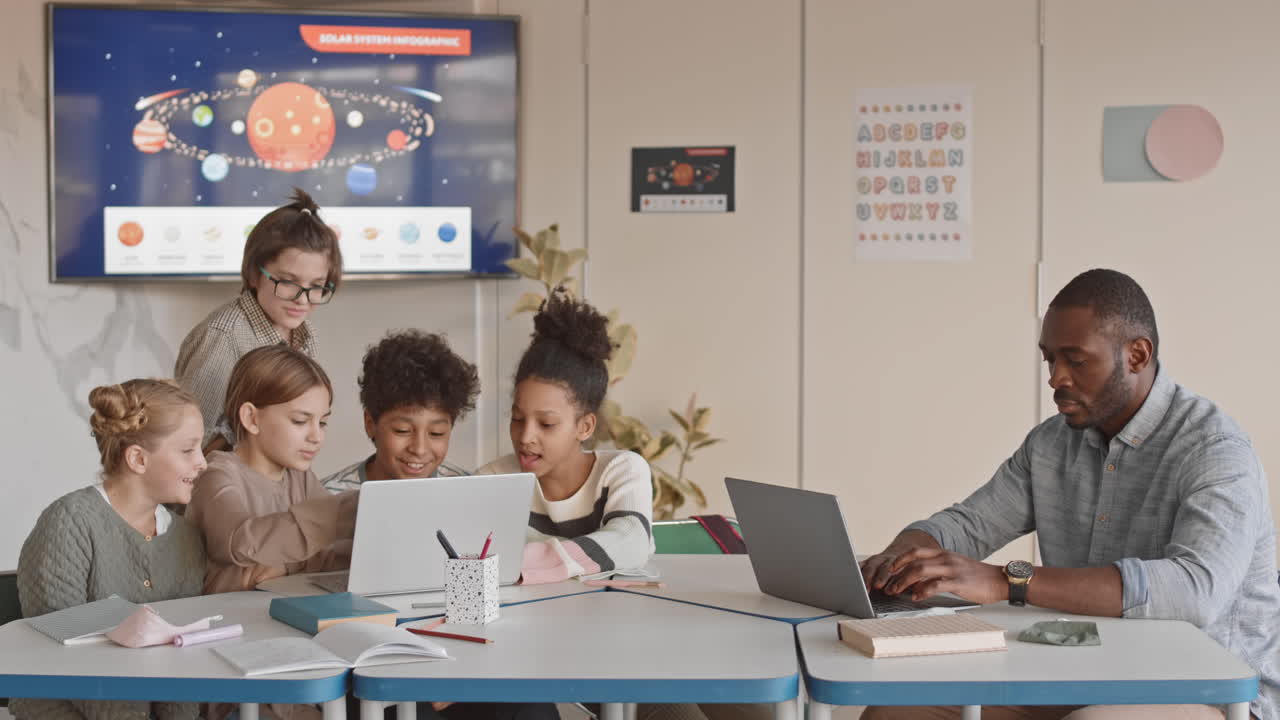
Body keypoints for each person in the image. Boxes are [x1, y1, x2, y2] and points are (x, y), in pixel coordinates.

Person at [860, 269, 1279, 720]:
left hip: (1207, 691)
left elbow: (1195, 590)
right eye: (1049, 359)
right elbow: (970, 524)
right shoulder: (1051, 443)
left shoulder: (1214, 449)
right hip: (1081, 672)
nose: (1055, 378)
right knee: (897, 710)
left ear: (1137, 355)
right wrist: (902, 558)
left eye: (1075, 361)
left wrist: (1008, 581)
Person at [12, 379, 207, 720]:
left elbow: (182, 657)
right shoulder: (68, 523)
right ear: (138, 459)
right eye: (188, 450)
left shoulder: (186, 538)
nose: (203, 462)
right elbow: (64, 653)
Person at [477, 290, 653, 584]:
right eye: (517, 419)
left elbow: (631, 542)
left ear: (584, 427)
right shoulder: (492, 480)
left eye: (546, 424)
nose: (525, 436)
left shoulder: (620, 471)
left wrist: (526, 562)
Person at [176, 188, 343, 451]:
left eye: (317, 286)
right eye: (288, 282)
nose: (302, 299)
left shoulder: (306, 335)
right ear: (254, 274)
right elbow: (190, 444)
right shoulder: (223, 338)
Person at [186, 345, 357, 597]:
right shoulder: (217, 475)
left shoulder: (300, 477)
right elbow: (242, 542)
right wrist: (344, 511)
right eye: (300, 421)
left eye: (322, 422)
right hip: (223, 625)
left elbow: (331, 553)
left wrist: (287, 565)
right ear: (252, 419)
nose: (317, 436)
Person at [322, 329, 480, 492]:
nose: (419, 449)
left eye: (436, 433)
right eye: (402, 431)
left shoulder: (469, 491)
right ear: (370, 424)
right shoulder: (329, 498)